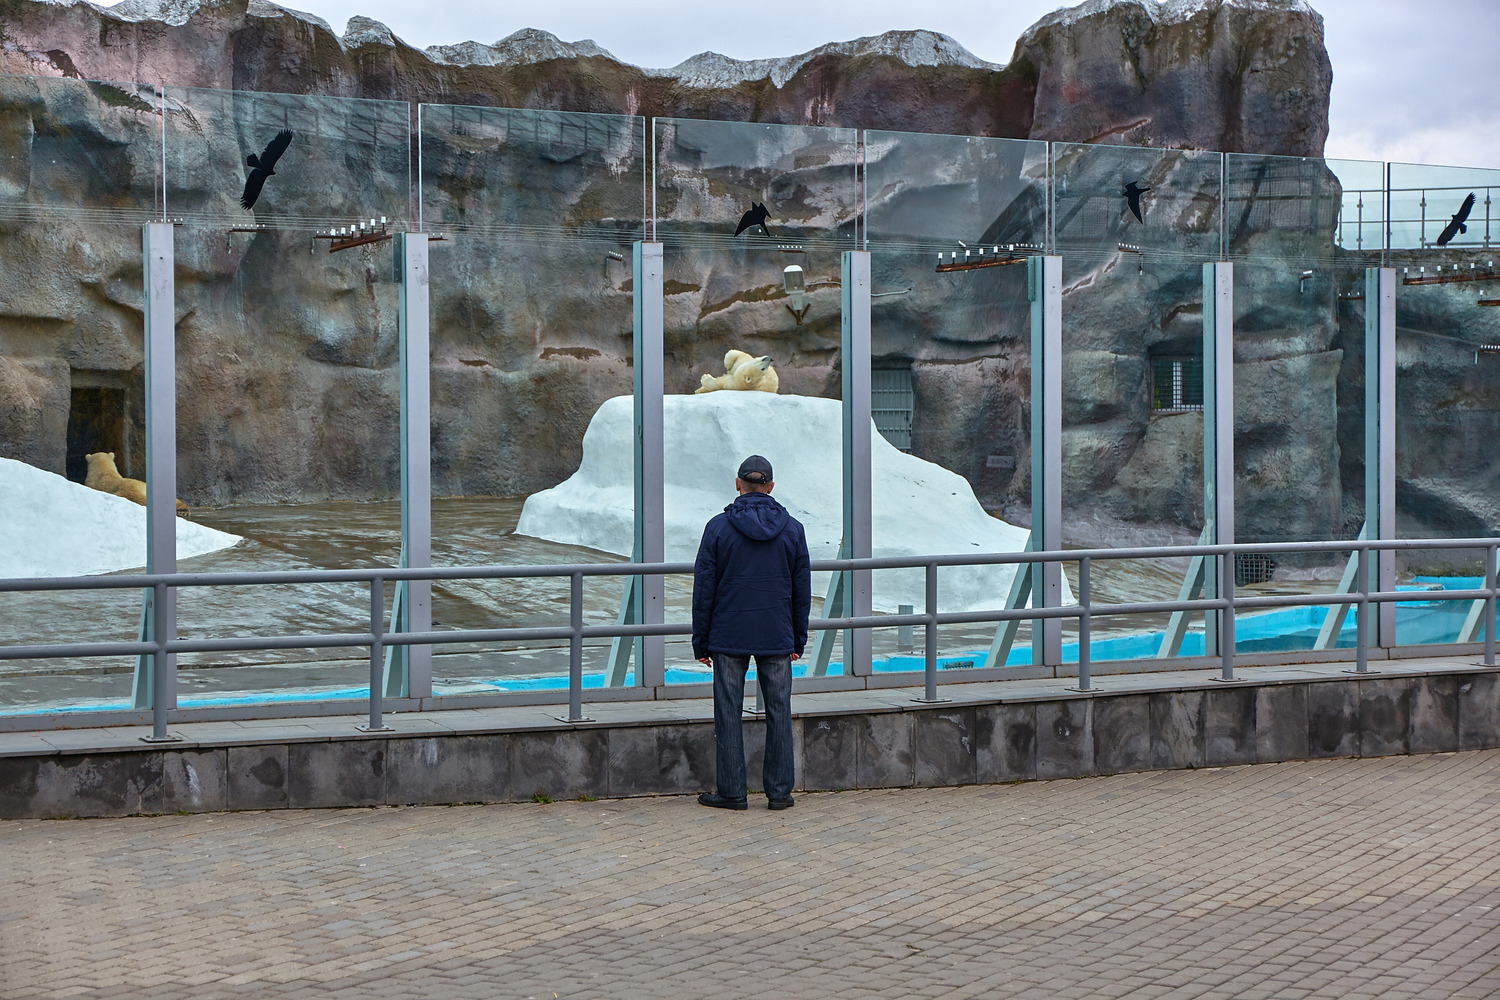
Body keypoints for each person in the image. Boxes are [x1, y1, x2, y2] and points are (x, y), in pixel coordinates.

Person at [692, 454, 811, 811]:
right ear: (771, 487)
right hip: (777, 633)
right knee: (779, 710)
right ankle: (779, 793)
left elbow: (704, 588)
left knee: (728, 711)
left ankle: (732, 792)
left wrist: (701, 640)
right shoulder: (792, 529)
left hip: (728, 634)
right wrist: (797, 639)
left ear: (737, 484)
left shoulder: (717, 528)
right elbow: (802, 589)